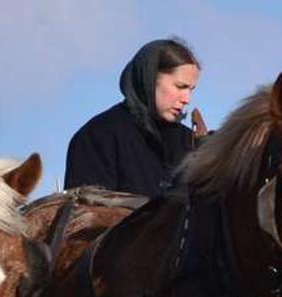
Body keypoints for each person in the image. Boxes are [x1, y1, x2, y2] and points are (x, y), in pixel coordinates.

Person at [64, 38, 200, 197]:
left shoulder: (189, 143)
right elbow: (85, 215)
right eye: (180, 86)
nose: (187, 99)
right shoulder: (97, 136)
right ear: (149, 78)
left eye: (191, 90)